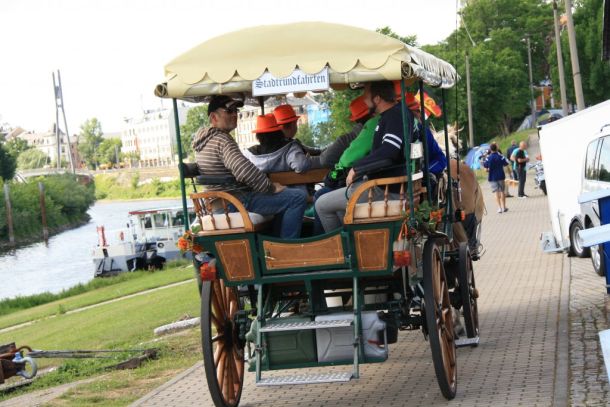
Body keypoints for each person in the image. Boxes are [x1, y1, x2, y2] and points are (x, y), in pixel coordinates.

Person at [191, 95, 308, 238]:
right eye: (229, 111)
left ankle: (275, 242)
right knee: (297, 197)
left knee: (283, 198)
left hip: (215, 204)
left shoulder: (202, 142)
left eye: (236, 110)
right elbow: (243, 170)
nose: (235, 114)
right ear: (214, 117)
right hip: (234, 202)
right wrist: (270, 187)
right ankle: (286, 246)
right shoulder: (222, 140)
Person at [315, 81, 411, 232]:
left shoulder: (393, 117)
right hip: (388, 185)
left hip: (384, 189)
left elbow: (389, 151)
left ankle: (340, 245)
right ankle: (350, 240)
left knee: (321, 204)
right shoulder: (398, 113)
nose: (364, 100)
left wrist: (356, 169)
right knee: (337, 205)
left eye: (366, 96)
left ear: (377, 98)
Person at [244, 113, 315, 174]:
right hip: (290, 186)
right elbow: (301, 166)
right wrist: (307, 159)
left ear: (258, 137)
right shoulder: (290, 148)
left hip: (261, 186)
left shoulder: (249, 154)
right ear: (278, 133)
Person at [483, 143, 510, 213]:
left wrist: (488, 170)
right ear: (497, 148)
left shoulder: (488, 158)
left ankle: (499, 208)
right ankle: (504, 207)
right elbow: (506, 163)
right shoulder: (500, 156)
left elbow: (485, 168)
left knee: (496, 193)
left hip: (492, 177)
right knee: (502, 192)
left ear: (490, 149)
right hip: (501, 176)